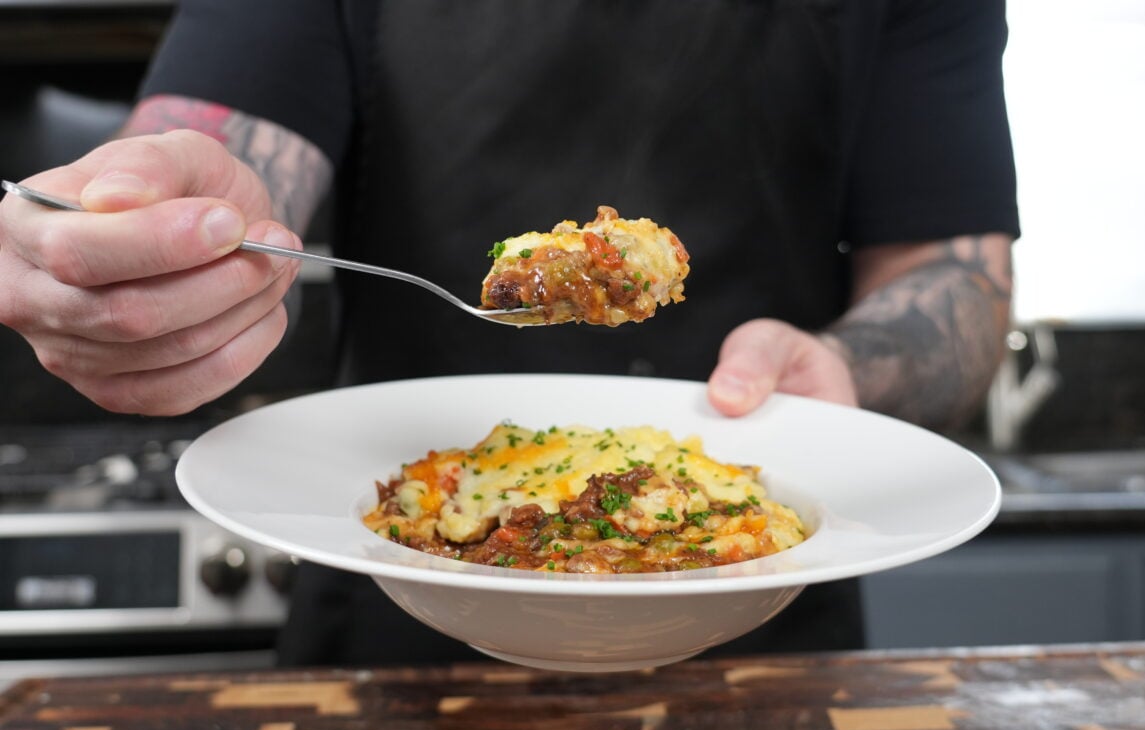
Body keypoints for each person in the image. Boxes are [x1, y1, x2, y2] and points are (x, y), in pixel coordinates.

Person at [0, 0, 1018, 665]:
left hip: (764, 639)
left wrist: (838, 370)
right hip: (395, 638)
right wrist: (161, 238)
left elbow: (959, 275)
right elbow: (217, 150)